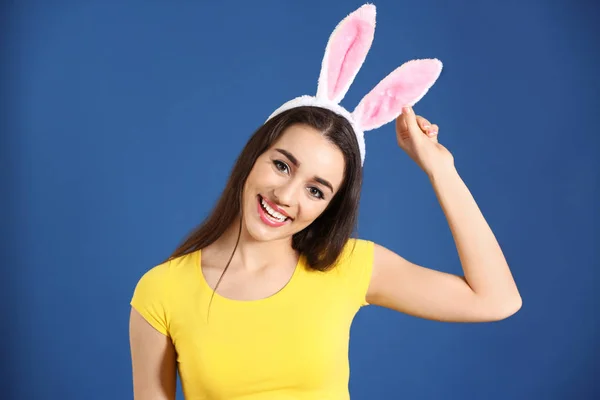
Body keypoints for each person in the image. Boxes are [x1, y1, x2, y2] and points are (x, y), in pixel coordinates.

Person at [128, 4, 522, 400]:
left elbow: (496, 300)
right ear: (254, 156)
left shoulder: (347, 266)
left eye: (316, 190)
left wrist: (441, 170)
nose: (285, 196)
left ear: (330, 206)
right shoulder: (162, 291)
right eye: (282, 166)